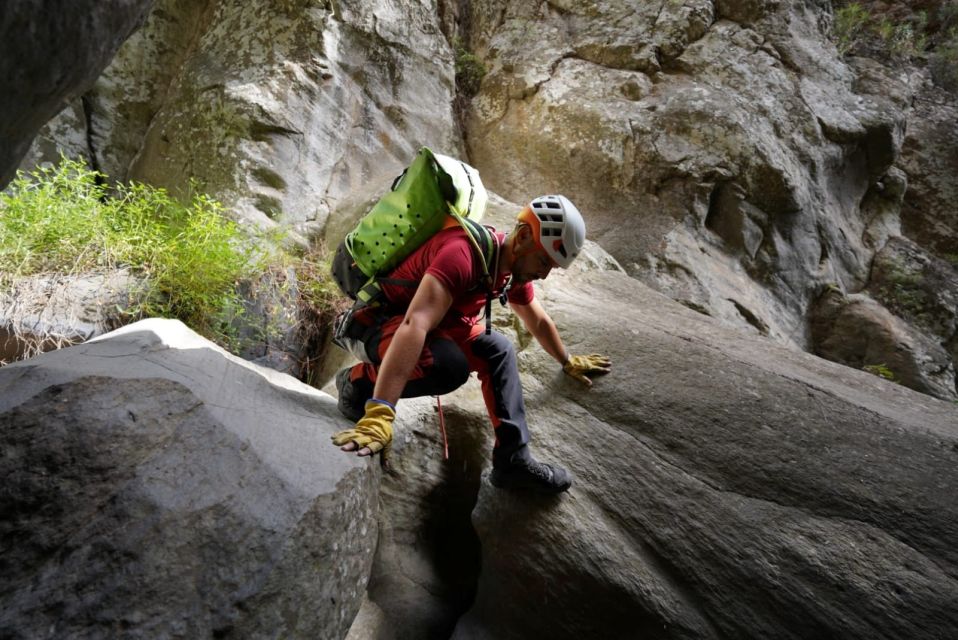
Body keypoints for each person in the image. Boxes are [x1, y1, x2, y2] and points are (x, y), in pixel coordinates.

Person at [330, 195, 611, 493]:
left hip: (426, 326)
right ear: (525, 236)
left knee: (497, 349)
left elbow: (538, 321)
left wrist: (567, 360)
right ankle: (357, 384)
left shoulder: (508, 270)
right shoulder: (461, 253)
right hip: (375, 323)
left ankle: (512, 461)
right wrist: (381, 412)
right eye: (544, 261)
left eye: (552, 266)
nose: (544, 274)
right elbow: (416, 324)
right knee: (448, 366)